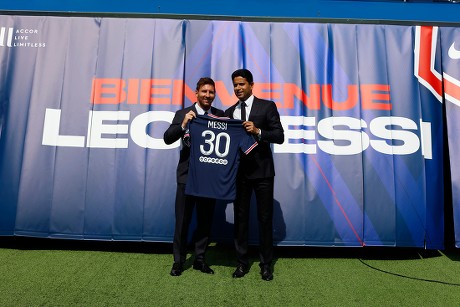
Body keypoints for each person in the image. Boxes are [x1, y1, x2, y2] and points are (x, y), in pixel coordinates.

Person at [224, 69, 284, 281]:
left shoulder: (267, 106)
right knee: (240, 220)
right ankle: (241, 263)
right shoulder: (228, 112)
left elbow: (279, 136)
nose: (238, 88)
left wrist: (258, 131)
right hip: (239, 175)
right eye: (235, 85)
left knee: (265, 219)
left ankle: (266, 265)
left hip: (263, 174)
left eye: (241, 84)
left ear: (251, 85)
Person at [163, 77, 225, 276]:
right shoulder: (183, 113)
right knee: (182, 221)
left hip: (209, 178)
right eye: (204, 91)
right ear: (196, 93)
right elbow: (167, 138)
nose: (208, 95)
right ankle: (178, 261)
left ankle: (200, 259)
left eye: (211, 92)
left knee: (205, 221)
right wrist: (183, 124)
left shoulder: (220, 115)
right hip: (187, 176)